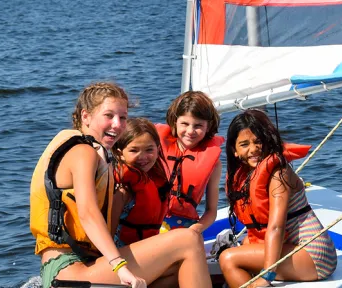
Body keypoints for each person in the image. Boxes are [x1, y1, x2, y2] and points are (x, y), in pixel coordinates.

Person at [29, 82, 211, 288]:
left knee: (177, 267)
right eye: (109, 116)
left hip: (83, 262)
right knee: (187, 239)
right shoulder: (83, 152)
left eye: (123, 117)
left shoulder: (91, 151)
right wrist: (120, 267)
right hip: (68, 270)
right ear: (85, 116)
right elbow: (87, 213)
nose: (117, 124)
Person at [218, 109, 337, 288]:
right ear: (234, 151)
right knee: (246, 243)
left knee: (228, 258)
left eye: (258, 142)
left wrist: (267, 275)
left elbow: (276, 227)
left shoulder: (278, 173)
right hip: (291, 248)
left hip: (314, 254)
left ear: (268, 142)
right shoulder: (245, 175)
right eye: (244, 144)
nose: (253, 149)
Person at [156, 91, 223, 233]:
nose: (190, 131)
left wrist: (195, 230)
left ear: (208, 126)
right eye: (184, 124)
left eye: (198, 125)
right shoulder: (155, 148)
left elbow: (211, 211)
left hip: (186, 226)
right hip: (151, 220)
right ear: (175, 122)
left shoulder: (214, 164)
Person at [111, 118, 169, 247]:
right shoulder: (122, 191)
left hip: (146, 247)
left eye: (149, 150)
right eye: (134, 150)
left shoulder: (155, 178)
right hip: (123, 253)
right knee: (188, 240)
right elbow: (109, 234)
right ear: (119, 153)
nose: (142, 157)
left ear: (158, 149)